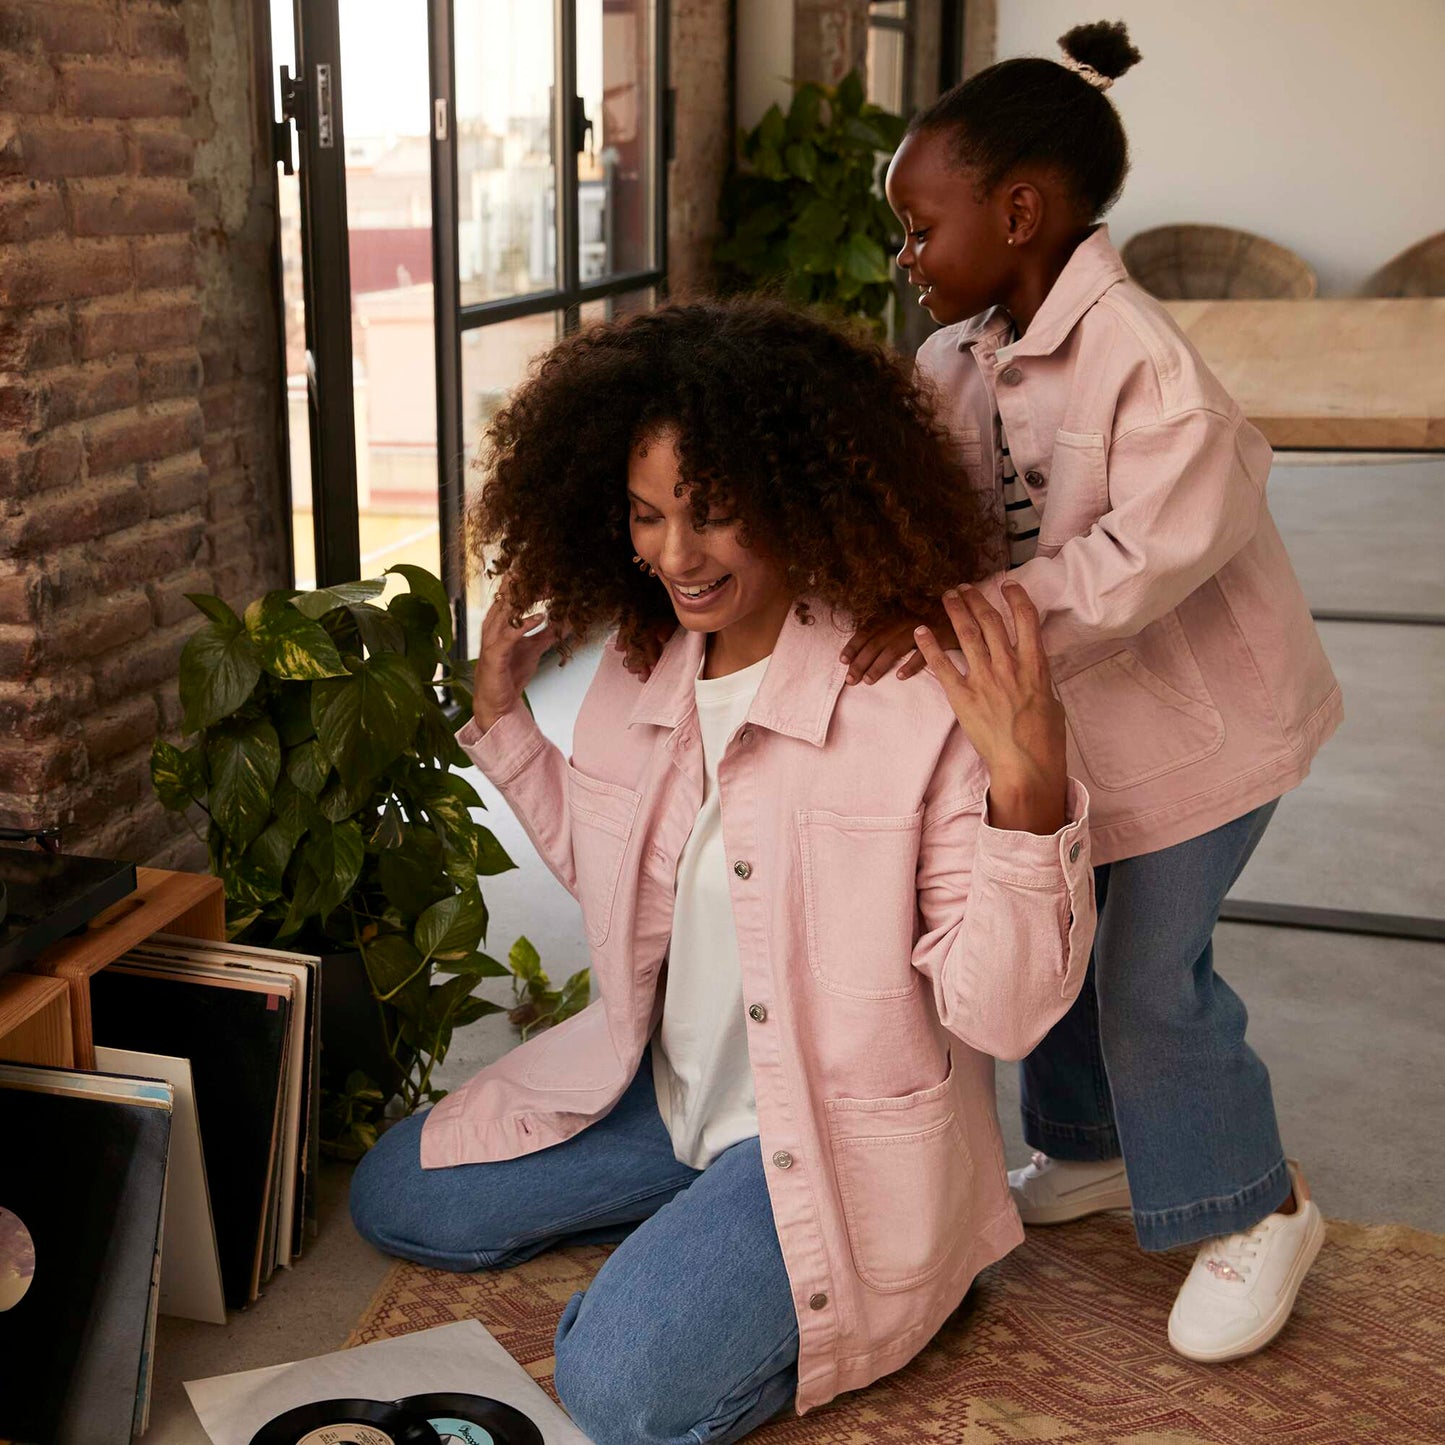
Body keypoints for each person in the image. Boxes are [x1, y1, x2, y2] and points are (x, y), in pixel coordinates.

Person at [350, 297, 1096, 1444]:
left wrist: (1028, 798)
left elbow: (997, 1014)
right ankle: (702, 1224)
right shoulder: (643, 662)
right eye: (646, 518)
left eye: (712, 517)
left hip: (828, 1134)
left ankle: (899, 1268)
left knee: (622, 1388)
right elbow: (621, 884)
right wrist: (503, 720)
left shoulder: (910, 697)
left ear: (797, 501)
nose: (672, 556)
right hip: (662, 1099)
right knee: (400, 1189)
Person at [843, 19, 1341, 1364]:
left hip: (1205, 736)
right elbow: (930, 513)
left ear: (1019, 212)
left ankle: (1261, 1206)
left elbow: (1135, 565)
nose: (906, 258)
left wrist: (978, 614)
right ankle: (1087, 1147)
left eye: (917, 226)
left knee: (1144, 982)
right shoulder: (957, 359)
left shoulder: (1147, 366)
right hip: (1072, 737)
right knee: (1050, 939)